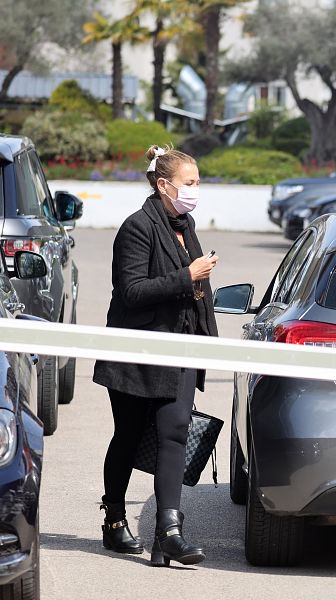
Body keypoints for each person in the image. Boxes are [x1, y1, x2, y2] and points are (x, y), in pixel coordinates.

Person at [93, 144, 219, 567]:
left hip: (181, 348)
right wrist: (188, 276)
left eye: (198, 182)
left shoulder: (187, 224)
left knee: (175, 432)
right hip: (137, 353)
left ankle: (169, 533)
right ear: (164, 185)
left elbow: (191, 286)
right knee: (128, 435)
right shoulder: (137, 227)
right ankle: (114, 521)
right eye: (189, 182)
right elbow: (131, 291)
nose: (196, 190)